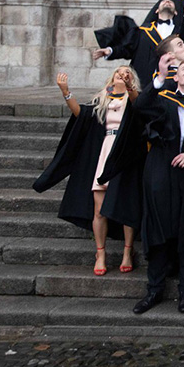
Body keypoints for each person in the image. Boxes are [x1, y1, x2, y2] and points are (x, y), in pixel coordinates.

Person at [112, 55, 184, 315]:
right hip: (160, 172)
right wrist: (159, 75)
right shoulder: (162, 98)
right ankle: (154, 290)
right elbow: (140, 107)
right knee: (158, 229)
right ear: (176, 77)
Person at [33, 67, 143, 276]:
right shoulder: (103, 100)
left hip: (125, 153)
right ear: (112, 78)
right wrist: (65, 91)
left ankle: (128, 251)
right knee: (99, 208)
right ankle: (100, 253)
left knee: (127, 204)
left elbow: (139, 107)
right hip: (104, 152)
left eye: (127, 72)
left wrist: (130, 86)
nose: (122, 74)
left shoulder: (134, 98)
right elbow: (80, 114)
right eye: (118, 72)